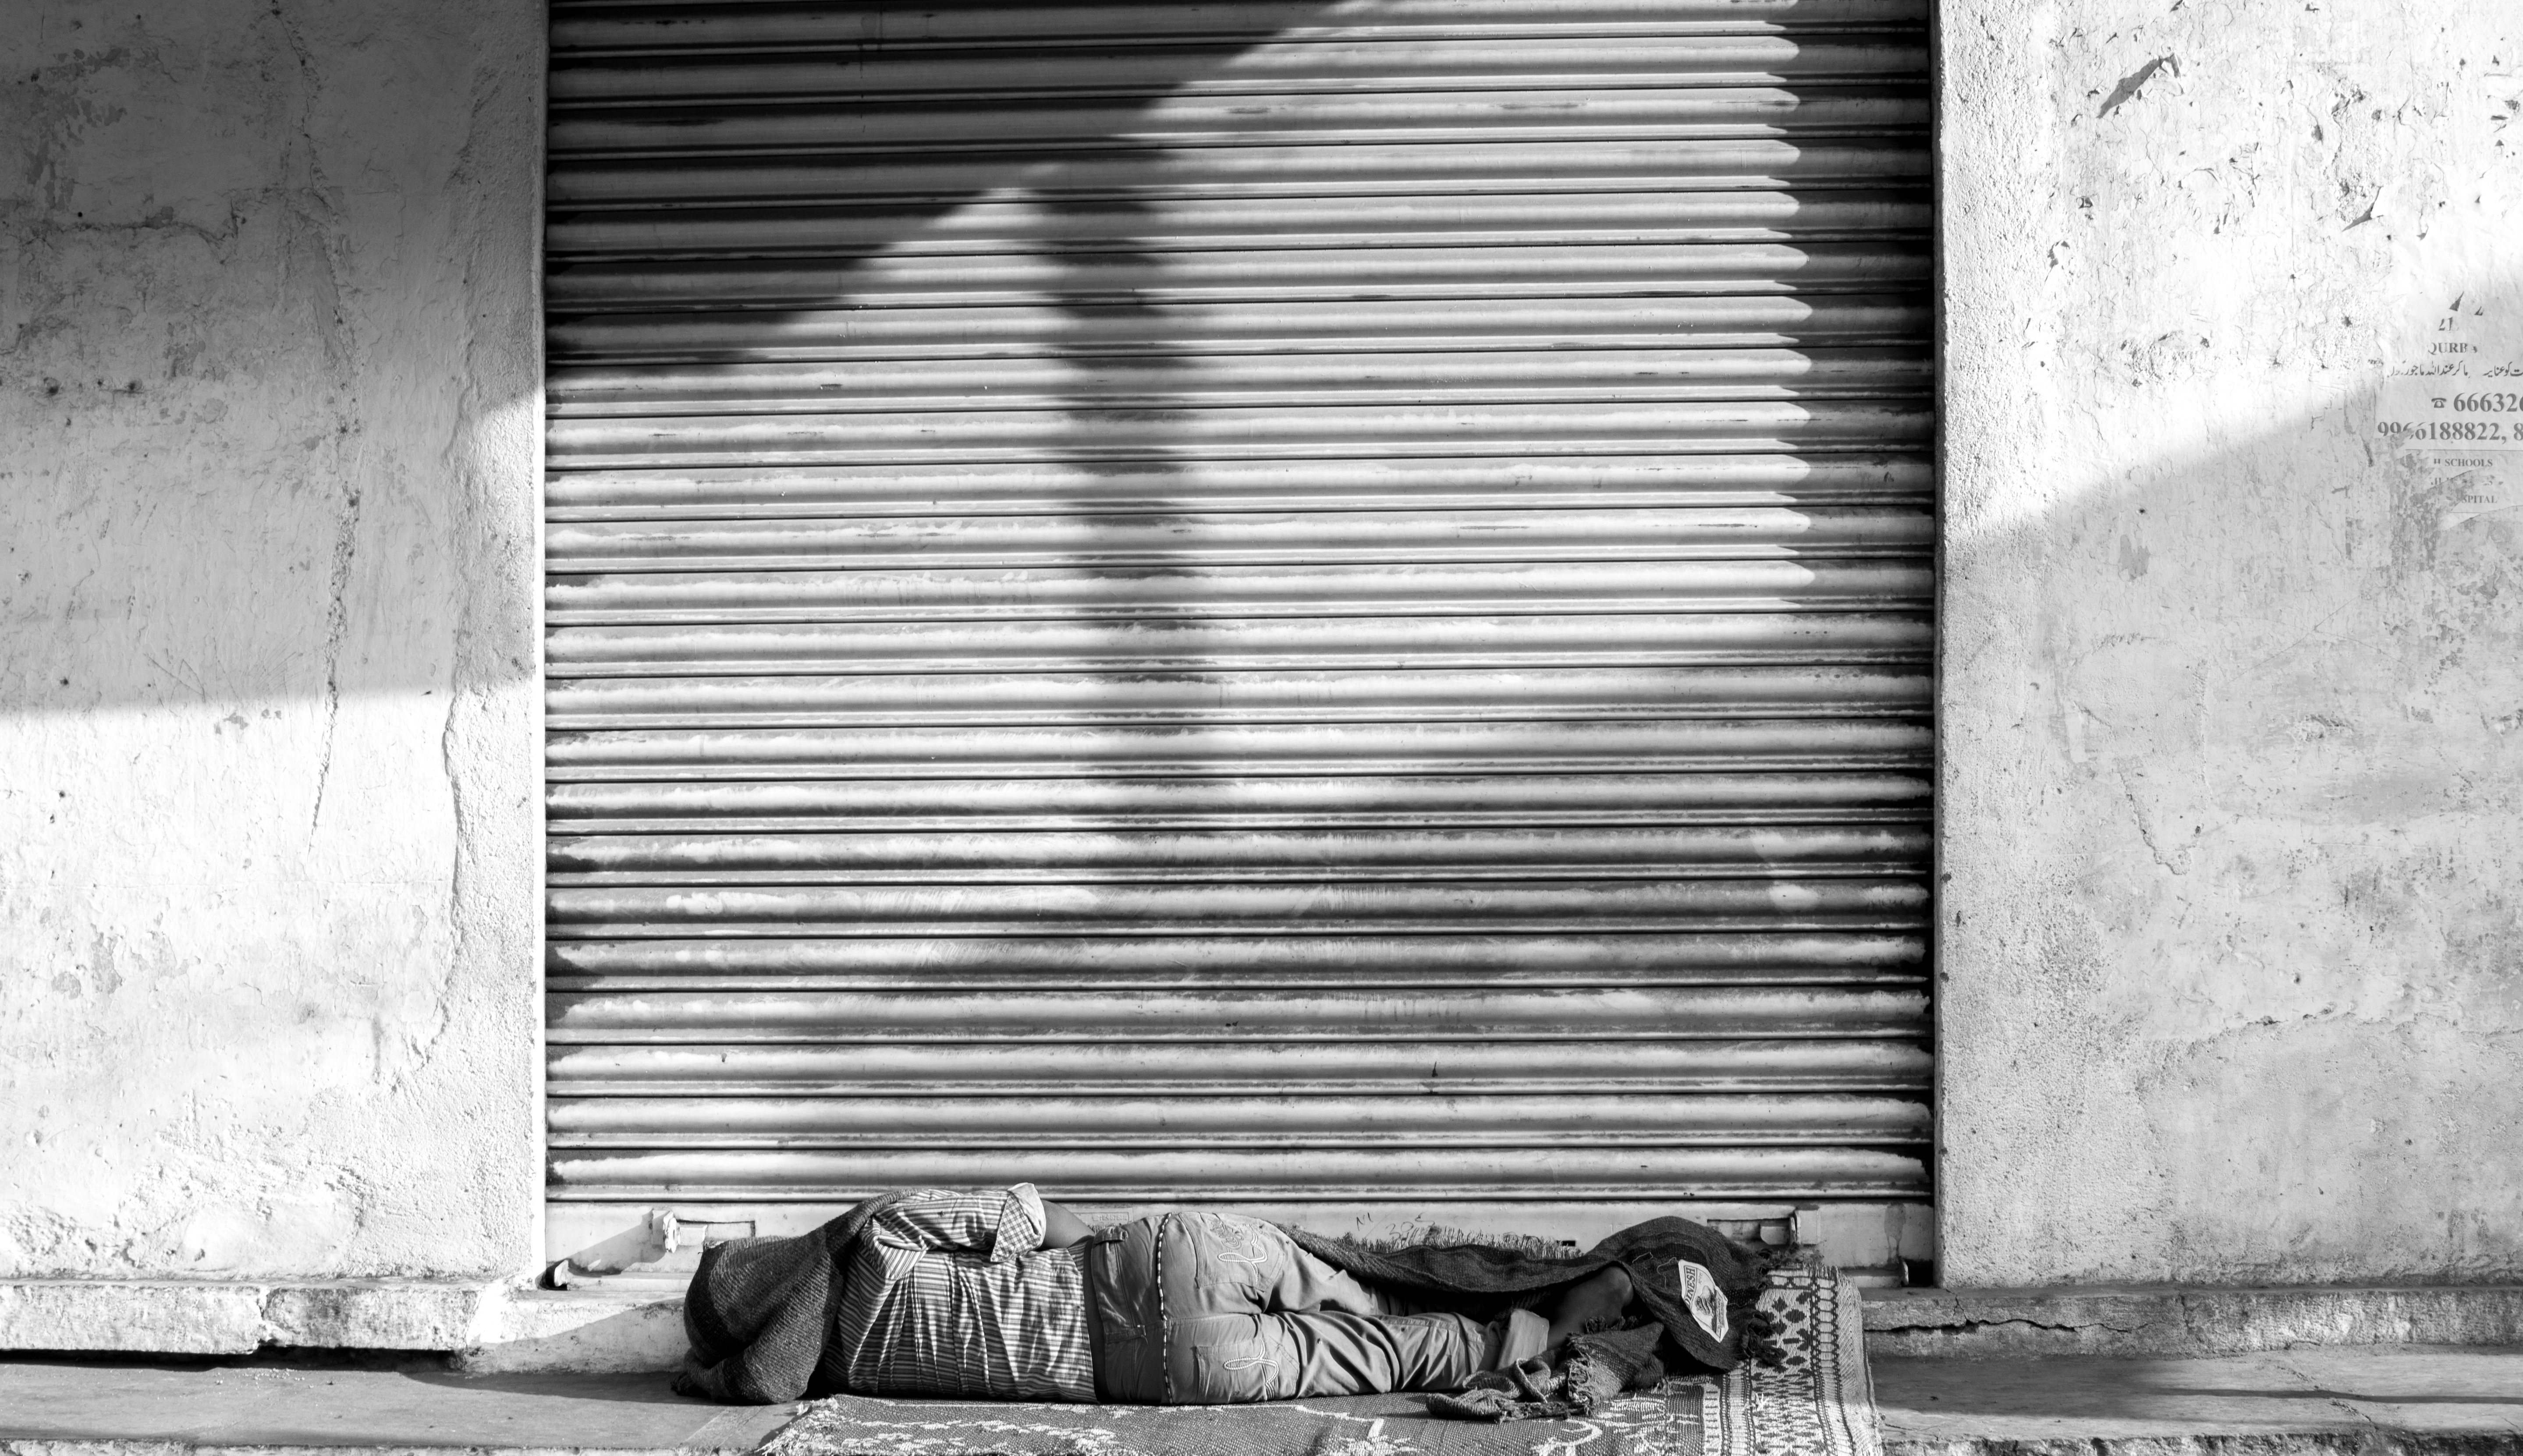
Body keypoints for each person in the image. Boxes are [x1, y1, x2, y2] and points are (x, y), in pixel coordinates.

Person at [673, 1184, 1762, 1409]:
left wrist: (713, 1372)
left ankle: (1530, 1340)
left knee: (1394, 1352)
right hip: (1162, 1260)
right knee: (1370, 1287)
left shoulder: (834, 1363)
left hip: (1149, 1371)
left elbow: (759, 1380)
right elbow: (1040, 1215)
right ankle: (1570, 1289)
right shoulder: (882, 1235)